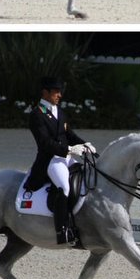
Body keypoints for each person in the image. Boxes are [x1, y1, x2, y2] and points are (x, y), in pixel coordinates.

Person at [21, 77, 93, 245]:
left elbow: (68, 135)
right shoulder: (37, 114)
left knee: (84, 179)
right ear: (45, 92)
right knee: (64, 187)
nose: (59, 95)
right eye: (56, 92)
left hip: (66, 158)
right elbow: (45, 143)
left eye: (60, 92)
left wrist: (84, 144)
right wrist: (68, 150)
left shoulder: (59, 111)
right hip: (51, 160)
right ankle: (62, 230)